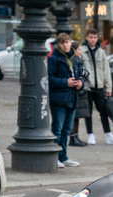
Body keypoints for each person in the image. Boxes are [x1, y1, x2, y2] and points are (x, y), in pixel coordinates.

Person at [80, 28, 113, 145]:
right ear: (87, 38)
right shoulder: (82, 50)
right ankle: (90, 134)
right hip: (87, 86)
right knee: (87, 112)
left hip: (99, 86)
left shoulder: (101, 52)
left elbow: (106, 71)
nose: (93, 40)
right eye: (91, 37)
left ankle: (108, 134)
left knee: (103, 110)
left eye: (95, 37)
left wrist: (108, 88)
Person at [48, 33, 83, 168]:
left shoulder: (74, 59)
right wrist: (65, 82)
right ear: (59, 44)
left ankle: (63, 156)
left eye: (67, 42)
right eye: (62, 43)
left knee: (67, 130)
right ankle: (55, 157)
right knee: (57, 129)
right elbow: (49, 79)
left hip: (72, 98)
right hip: (59, 99)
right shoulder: (54, 58)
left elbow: (80, 75)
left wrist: (80, 83)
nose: (65, 45)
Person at [69, 41, 90, 147]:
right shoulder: (73, 60)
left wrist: (81, 80)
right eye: (79, 50)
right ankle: (72, 136)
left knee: (77, 115)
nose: (80, 52)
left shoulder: (76, 59)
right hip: (74, 90)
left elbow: (80, 73)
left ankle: (75, 136)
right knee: (74, 115)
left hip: (77, 89)